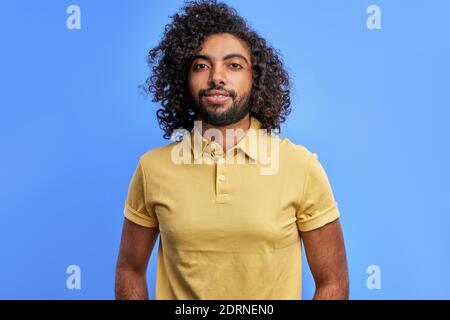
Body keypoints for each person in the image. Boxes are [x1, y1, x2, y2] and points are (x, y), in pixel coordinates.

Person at [115, 0, 349, 300]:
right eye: (201, 65)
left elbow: (333, 282)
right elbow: (129, 269)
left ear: (256, 79)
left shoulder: (300, 167)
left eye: (234, 65)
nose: (216, 77)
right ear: (183, 79)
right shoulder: (152, 169)